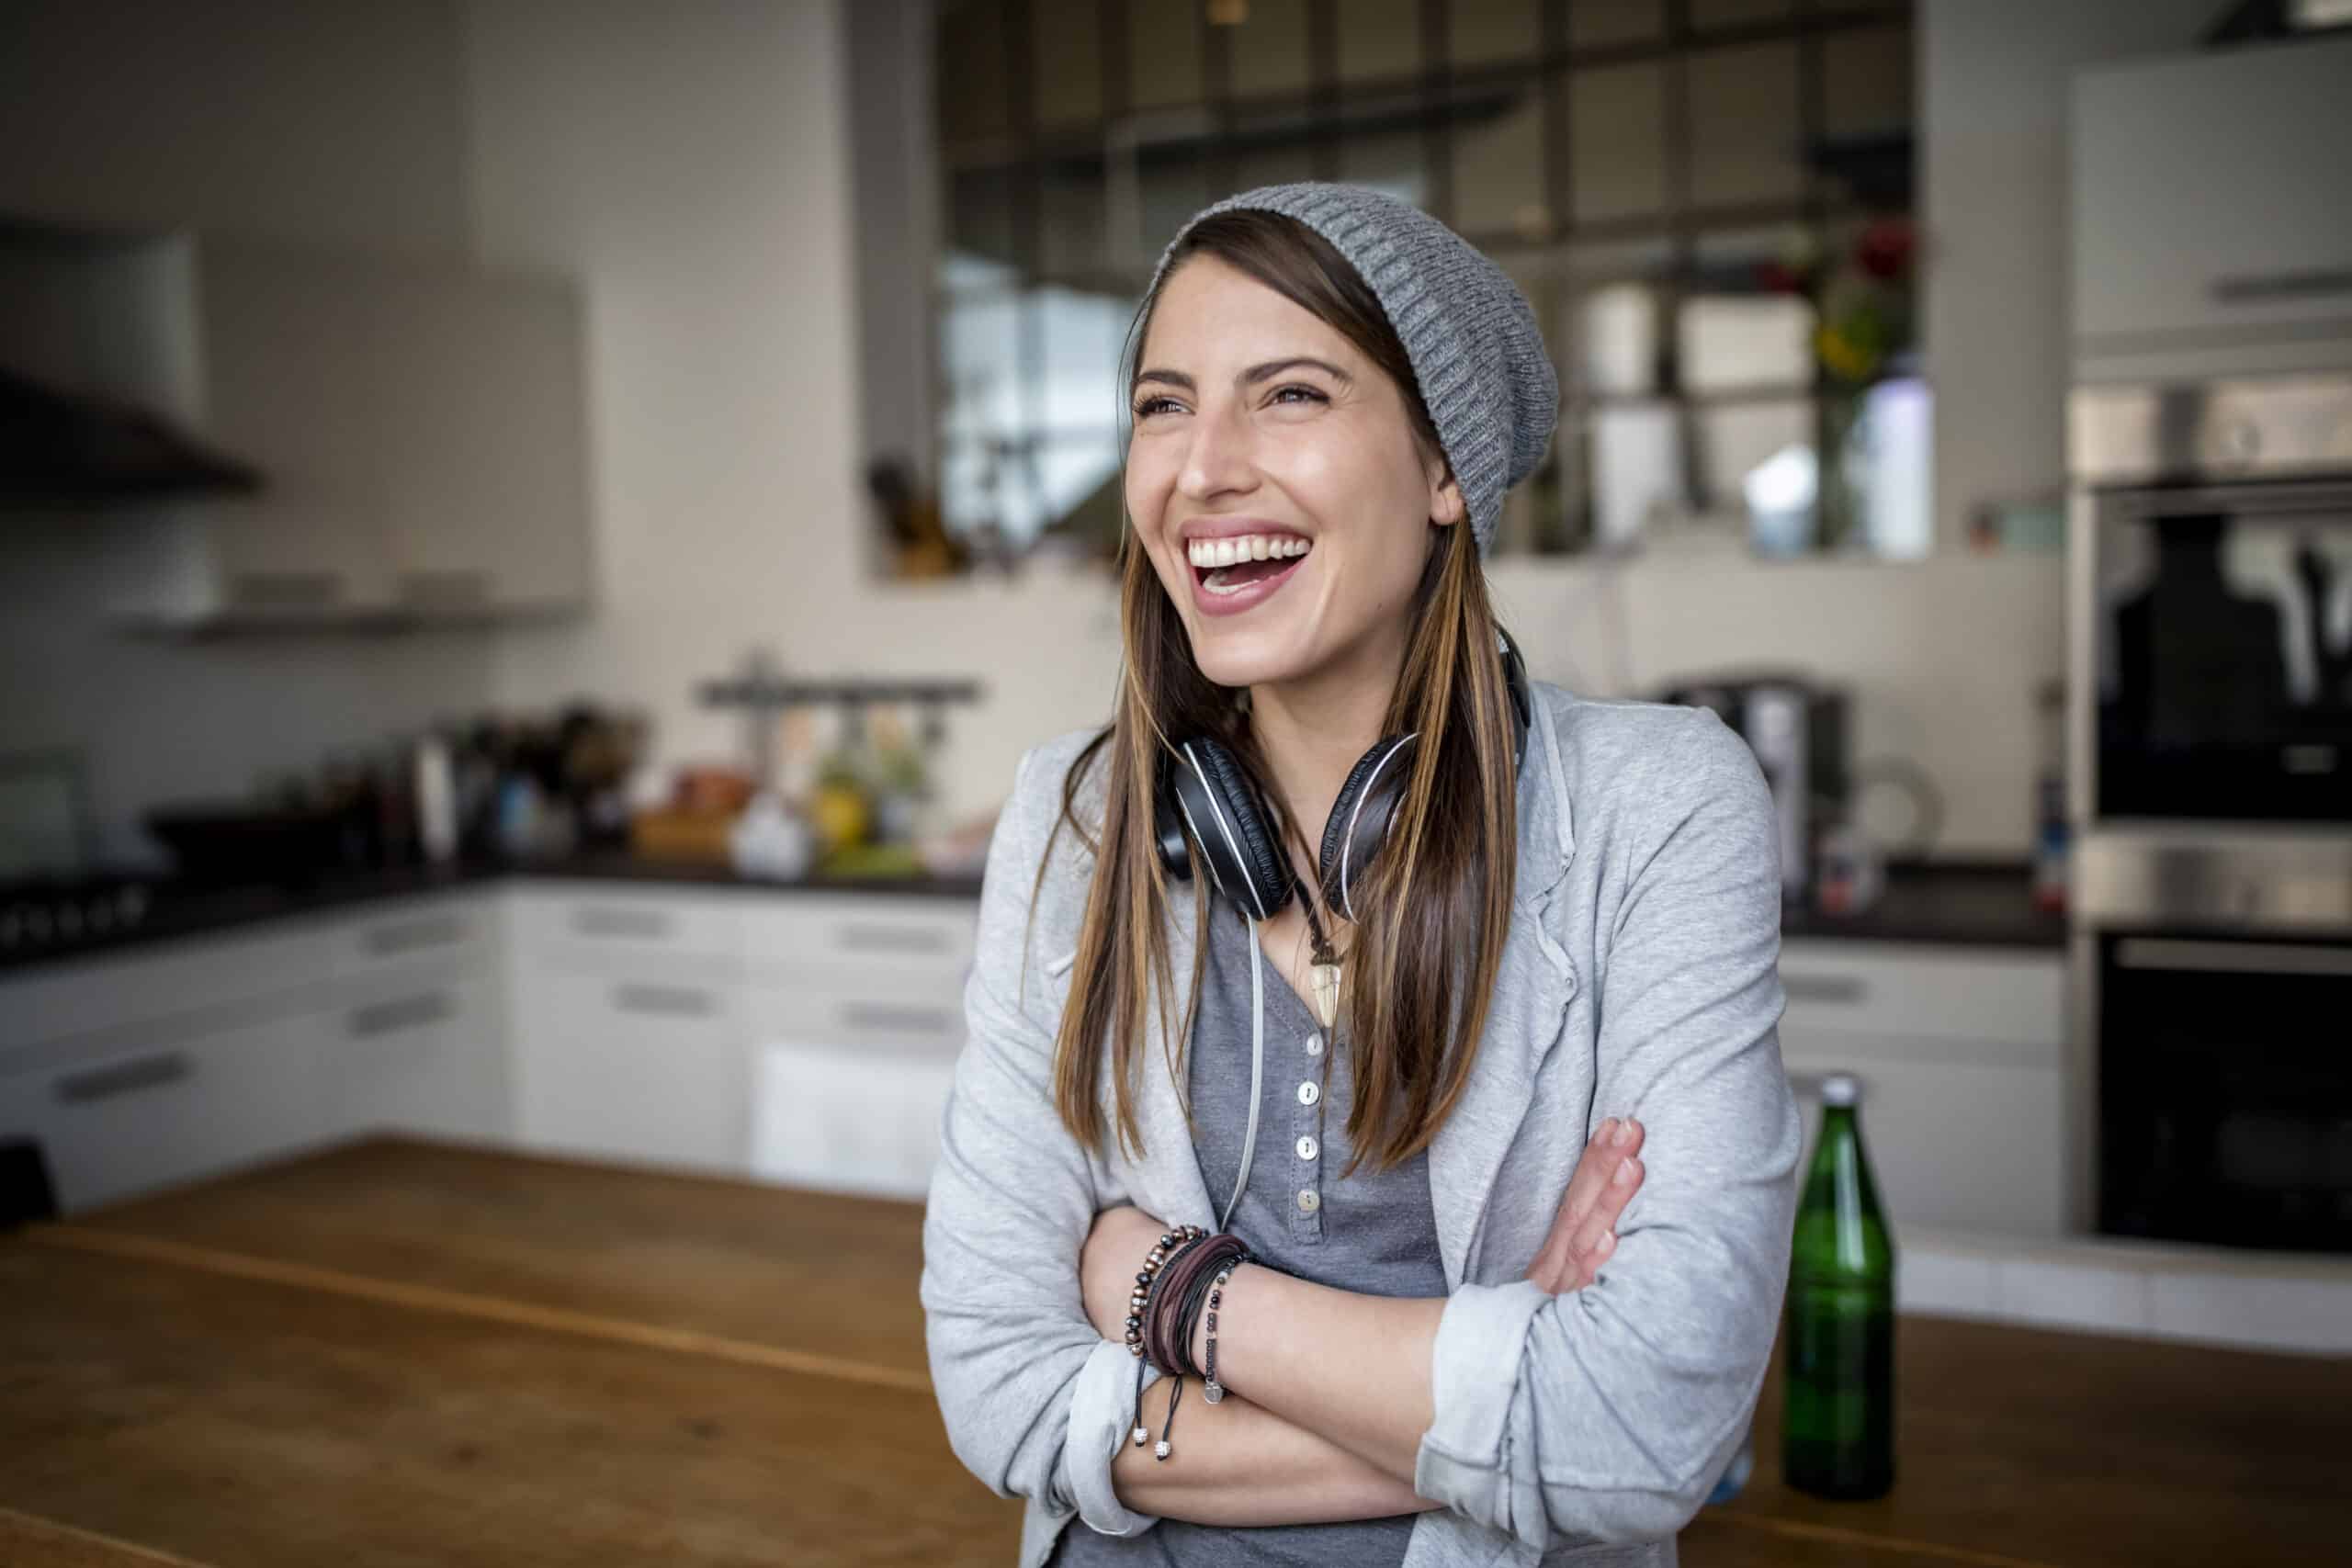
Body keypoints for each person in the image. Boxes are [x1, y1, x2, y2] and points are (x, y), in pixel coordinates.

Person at [921, 182, 1801, 1568]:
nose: (1201, 469)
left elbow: (1649, 1428)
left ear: (1447, 467)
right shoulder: (1077, 820)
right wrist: (1501, 1383)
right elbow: (993, 1384)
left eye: (1289, 395)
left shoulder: (1660, 808)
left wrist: (1164, 1287)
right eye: (1162, 404)